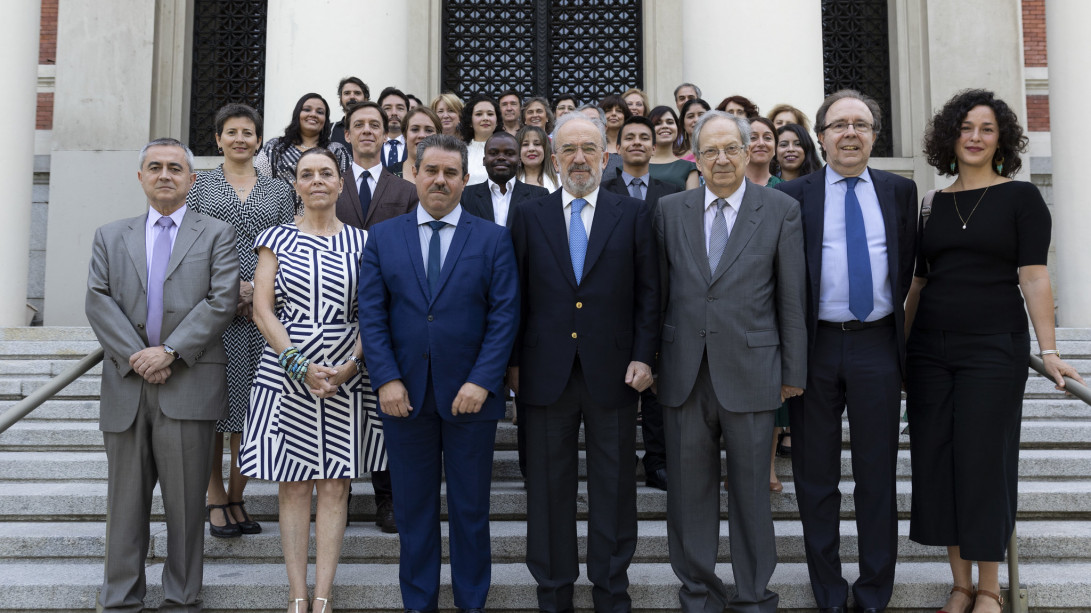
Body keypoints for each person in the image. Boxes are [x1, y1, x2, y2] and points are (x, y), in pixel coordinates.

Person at [905, 89, 1085, 613]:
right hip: (929, 352)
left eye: (986, 128)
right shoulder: (930, 204)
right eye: (966, 128)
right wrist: (901, 351)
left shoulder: (1021, 198)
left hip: (993, 348)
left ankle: (989, 587)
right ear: (950, 138)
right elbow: (918, 284)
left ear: (1001, 137)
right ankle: (959, 584)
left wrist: (1048, 350)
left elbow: (1033, 276)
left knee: (983, 462)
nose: (976, 137)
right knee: (936, 461)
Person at [359, 134, 519, 613]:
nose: (440, 181)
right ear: (414, 174)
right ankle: (419, 604)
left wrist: (482, 380)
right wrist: (386, 379)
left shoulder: (492, 238)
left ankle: (473, 603)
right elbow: (372, 313)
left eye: (451, 173)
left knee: (471, 512)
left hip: (471, 397)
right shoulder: (384, 236)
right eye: (432, 171)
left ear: (465, 180)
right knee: (413, 512)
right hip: (403, 398)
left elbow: (504, 315)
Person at [655, 111, 806, 613]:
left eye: (731, 149)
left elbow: (791, 298)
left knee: (750, 496)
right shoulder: (670, 210)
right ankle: (697, 593)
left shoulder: (780, 209)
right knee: (688, 495)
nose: (721, 159)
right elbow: (657, 293)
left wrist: (793, 373)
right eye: (710, 150)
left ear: (747, 152)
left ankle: (753, 596)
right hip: (684, 373)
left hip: (753, 372)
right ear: (695, 156)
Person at [508, 112, 659, 613]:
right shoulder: (529, 215)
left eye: (589, 149)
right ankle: (553, 593)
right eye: (569, 149)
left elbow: (648, 294)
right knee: (548, 491)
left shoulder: (633, 215)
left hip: (614, 373)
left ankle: (611, 590)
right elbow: (515, 296)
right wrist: (512, 364)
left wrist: (644, 355)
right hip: (543, 373)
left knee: (614, 488)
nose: (579, 158)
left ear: (606, 156)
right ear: (554, 160)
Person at [776, 89, 919, 613]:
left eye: (860, 124)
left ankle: (875, 589)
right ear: (821, 136)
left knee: (877, 475)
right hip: (814, 349)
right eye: (839, 125)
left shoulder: (901, 193)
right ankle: (830, 591)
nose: (850, 133)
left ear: (874, 135)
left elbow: (908, 271)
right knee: (816, 478)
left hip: (878, 345)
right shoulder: (794, 197)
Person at [86, 138, 239, 612]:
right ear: (140, 177)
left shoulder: (216, 233)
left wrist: (169, 351)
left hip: (188, 384)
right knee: (125, 508)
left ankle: (182, 598)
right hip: (127, 385)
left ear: (193, 180)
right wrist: (138, 356)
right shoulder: (111, 235)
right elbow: (98, 299)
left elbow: (222, 301)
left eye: (176, 167)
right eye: (155, 167)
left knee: (187, 507)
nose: (165, 174)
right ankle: (120, 600)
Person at [240, 147, 385, 613]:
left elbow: (375, 313)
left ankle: (323, 593)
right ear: (295, 185)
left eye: (326, 173)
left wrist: (352, 365)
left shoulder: (366, 242)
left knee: (336, 483)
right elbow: (263, 310)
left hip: (346, 368)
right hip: (287, 370)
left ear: (341, 183)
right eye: (308, 174)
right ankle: (297, 593)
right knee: (295, 483)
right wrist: (298, 364)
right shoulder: (274, 238)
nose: (317, 180)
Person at [187, 104, 295, 539]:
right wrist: (227, 291)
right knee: (217, 411)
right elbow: (190, 246)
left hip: (263, 316)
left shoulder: (278, 190)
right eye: (231, 132)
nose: (239, 139)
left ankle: (238, 494)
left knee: (253, 410)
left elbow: (289, 244)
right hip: (215, 314)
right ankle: (215, 498)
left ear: (258, 140)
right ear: (218, 139)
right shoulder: (201, 187)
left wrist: (259, 291)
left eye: (247, 132)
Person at [331, 101, 417, 535]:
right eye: (358, 125)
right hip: (335, 315)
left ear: (387, 135)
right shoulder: (329, 184)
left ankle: (388, 499)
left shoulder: (404, 191)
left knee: (386, 414)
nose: (367, 131)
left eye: (375, 126)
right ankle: (337, 498)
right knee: (342, 410)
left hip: (389, 314)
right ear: (346, 135)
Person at [601, 115, 681, 492]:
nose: (636, 142)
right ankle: (619, 459)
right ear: (616, 148)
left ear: (654, 147)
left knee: (654, 386)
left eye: (643, 138)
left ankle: (658, 461)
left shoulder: (672, 193)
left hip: (661, 299)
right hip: (613, 301)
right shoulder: (602, 190)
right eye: (628, 137)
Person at [257, 93, 350, 211]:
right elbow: (260, 184)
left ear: (325, 120)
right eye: (307, 109)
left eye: (320, 112)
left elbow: (347, 191)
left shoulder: (337, 151)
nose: (313, 114)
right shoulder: (274, 147)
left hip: (325, 220)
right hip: (280, 220)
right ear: (297, 114)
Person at [462, 131, 549, 225]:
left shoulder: (539, 196)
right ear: (484, 160)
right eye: (493, 153)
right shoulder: (465, 196)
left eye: (509, 153)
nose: (501, 157)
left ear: (519, 161)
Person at [648, 105, 700, 190]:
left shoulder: (689, 168)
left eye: (670, 122)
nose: (665, 126)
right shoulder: (638, 165)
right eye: (657, 123)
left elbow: (693, 202)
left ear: (677, 128)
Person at [461, 94, 502, 186]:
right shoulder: (460, 150)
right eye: (479, 114)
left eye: (490, 114)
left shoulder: (507, 150)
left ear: (497, 121)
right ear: (470, 122)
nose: (485, 118)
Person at [399, 106, 442, 184]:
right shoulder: (386, 175)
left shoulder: (447, 176)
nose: (422, 135)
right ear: (405, 136)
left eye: (429, 130)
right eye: (415, 129)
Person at [516, 125, 559, 192]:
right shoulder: (509, 183)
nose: (531, 149)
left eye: (537, 144)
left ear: (545, 149)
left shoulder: (561, 181)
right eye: (525, 144)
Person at [330, 76, 370, 148]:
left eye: (357, 93)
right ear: (340, 99)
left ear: (366, 99)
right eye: (347, 93)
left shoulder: (374, 129)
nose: (352, 97)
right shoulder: (329, 130)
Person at [379, 87, 410, 169]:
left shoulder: (415, 144)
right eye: (387, 108)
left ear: (408, 113)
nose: (394, 113)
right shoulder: (371, 143)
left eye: (400, 108)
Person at [747, 117, 782, 188]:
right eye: (753, 138)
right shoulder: (730, 186)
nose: (761, 143)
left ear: (775, 146)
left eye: (767, 138)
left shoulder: (786, 188)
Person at [600, 94, 633, 158]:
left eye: (619, 111)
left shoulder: (632, 142)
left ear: (625, 117)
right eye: (608, 111)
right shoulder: (596, 143)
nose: (614, 114)